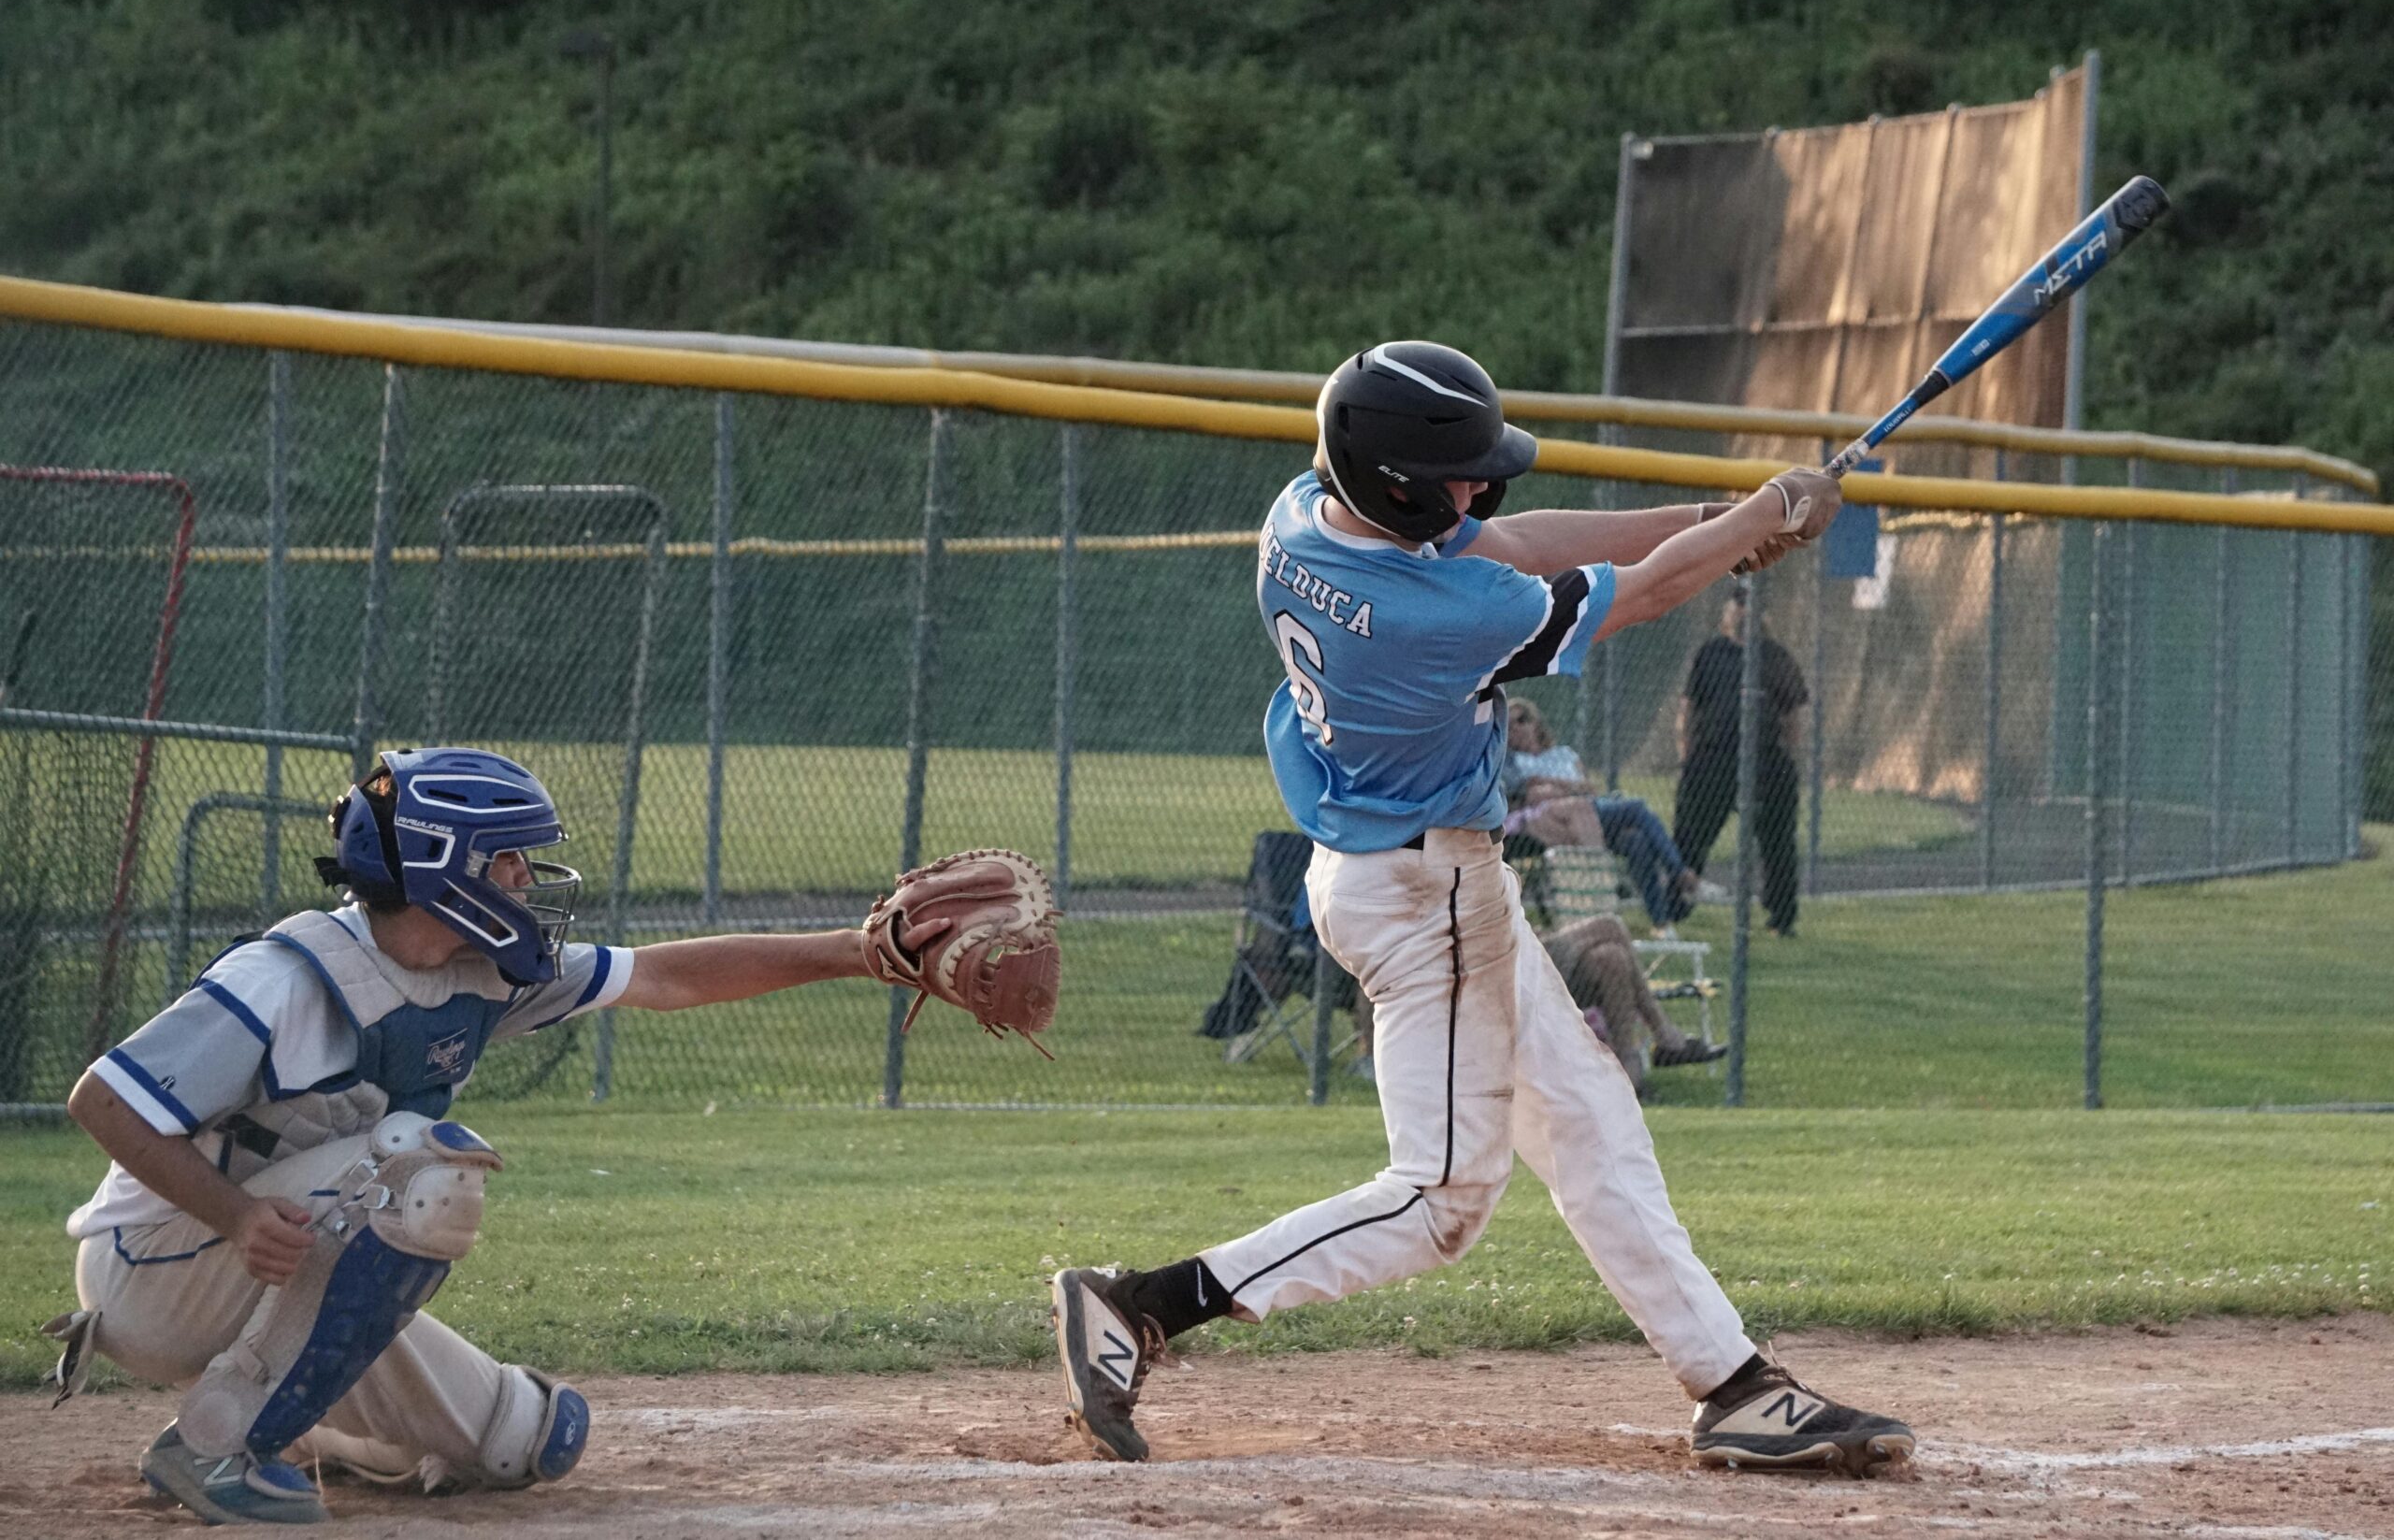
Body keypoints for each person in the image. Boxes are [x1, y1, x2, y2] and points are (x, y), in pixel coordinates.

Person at [1049, 340, 1911, 1475]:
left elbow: (1509, 545)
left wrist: (1728, 516)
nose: (1471, 494)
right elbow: (1636, 596)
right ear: (1395, 482)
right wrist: (1746, 525)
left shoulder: (1305, 514)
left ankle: (1735, 1386)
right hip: (1428, 900)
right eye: (1449, 477)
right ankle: (1145, 1303)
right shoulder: (1426, 617)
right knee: (1440, 1200)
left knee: (1593, 1122)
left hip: (1394, 873)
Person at [49, 746, 964, 1525]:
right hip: (158, 1266)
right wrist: (238, 1213)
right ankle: (216, 1444)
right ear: (440, 868)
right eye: (509, 861)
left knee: (530, 1438)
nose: (528, 878)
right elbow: (102, 1102)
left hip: (279, 1264)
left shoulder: (484, 970)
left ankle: (291, 1414)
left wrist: (855, 952)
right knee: (424, 1166)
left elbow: (668, 977)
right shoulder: (287, 978)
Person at [1674, 583, 1809, 937]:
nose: (1745, 612)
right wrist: (1686, 753)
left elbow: (1793, 713)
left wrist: (1789, 759)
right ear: (1728, 611)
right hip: (1713, 758)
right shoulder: (1711, 653)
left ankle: (1781, 917)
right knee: (1691, 833)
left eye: (1753, 606)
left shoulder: (1776, 656)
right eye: (1739, 605)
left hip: (1766, 762)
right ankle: (1675, 905)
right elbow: (1689, 707)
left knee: (1777, 841)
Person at [1500, 696, 1702, 929]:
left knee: (1635, 841)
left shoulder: (1564, 754)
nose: (1517, 727)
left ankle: (1662, 923)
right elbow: (1532, 794)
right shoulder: (1516, 762)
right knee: (1636, 808)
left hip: (1592, 809)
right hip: (1563, 815)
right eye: (1510, 724)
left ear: (1536, 723)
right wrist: (1569, 788)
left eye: (1523, 719)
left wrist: (1556, 786)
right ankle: (1679, 872)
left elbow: (1589, 788)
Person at [1539, 913, 1726, 1095]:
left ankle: (1626, 1072)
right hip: (1526, 968)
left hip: (1540, 956)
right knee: (1610, 926)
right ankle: (1664, 1035)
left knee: (1612, 958)